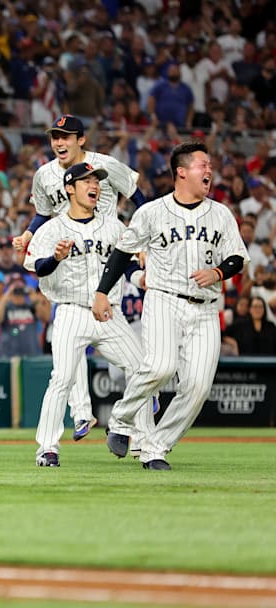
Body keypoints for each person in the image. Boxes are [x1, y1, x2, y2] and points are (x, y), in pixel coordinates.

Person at [93, 141, 250, 470]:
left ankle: (155, 446)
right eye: (201, 165)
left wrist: (219, 272)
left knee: (198, 386)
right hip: (164, 299)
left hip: (206, 308)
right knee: (161, 367)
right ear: (181, 172)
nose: (209, 170)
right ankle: (121, 421)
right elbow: (122, 252)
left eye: (209, 165)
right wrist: (102, 292)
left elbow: (238, 257)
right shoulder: (151, 211)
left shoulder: (221, 214)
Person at [12, 114, 144, 439]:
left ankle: (135, 419)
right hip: (68, 251)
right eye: (55, 136)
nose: (59, 142)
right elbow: (43, 214)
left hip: (106, 250)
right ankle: (79, 416)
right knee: (66, 355)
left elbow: (139, 199)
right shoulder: (45, 174)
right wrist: (30, 236)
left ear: (80, 139)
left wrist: (141, 239)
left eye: (66, 136)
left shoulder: (105, 166)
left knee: (140, 365)